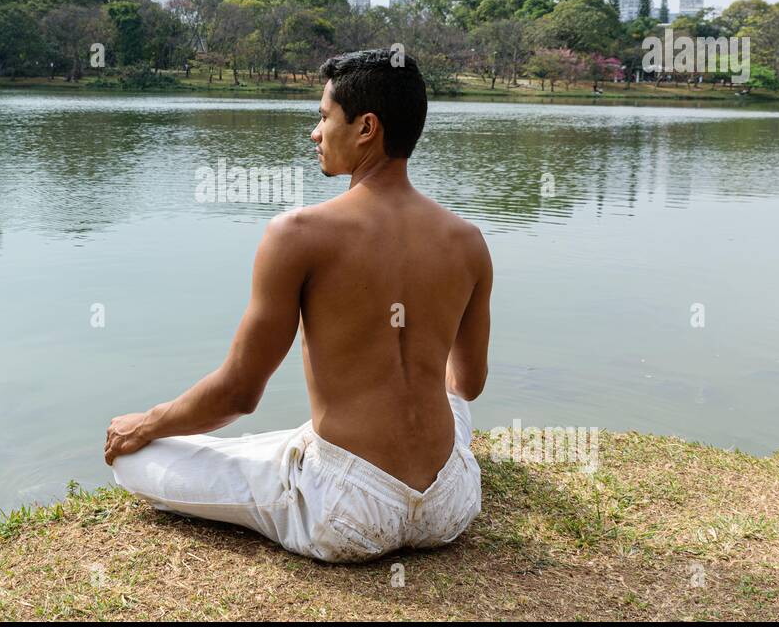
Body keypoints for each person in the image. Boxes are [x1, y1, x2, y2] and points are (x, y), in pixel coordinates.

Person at [105, 48, 492, 562]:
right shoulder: (467, 241)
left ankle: (302, 456)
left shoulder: (299, 234)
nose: (315, 133)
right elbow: (465, 385)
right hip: (449, 505)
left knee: (134, 461)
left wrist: (147, 423)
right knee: (448, 407)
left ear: (366, 128)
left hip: (347, 509)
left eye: (323, 117)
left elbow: (239, 394)